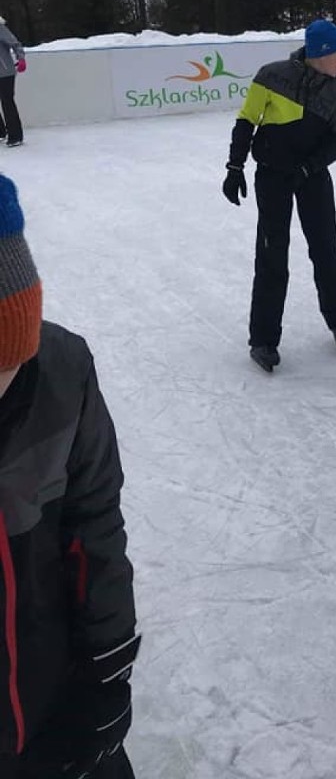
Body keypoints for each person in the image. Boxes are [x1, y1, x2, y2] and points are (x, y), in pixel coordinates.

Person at [0, 174, 140, 779]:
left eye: (9, 360)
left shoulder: (61, 371)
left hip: (55, 703)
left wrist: (105, 672)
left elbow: (94, 525)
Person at [222, 18, 336, 372]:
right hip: (273, 177)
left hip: (312, 177)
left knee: (326, 247)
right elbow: (246, 121)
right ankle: (263, 340)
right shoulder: (271, 76)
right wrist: (234, 167)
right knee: (271, 254)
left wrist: (308, 168)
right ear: (322, 53)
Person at [0, 19, 26, 146]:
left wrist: (21, 58)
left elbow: (15, 44)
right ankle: (1, 132)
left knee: (7, 102)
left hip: (5, 72)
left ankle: (16, 136)